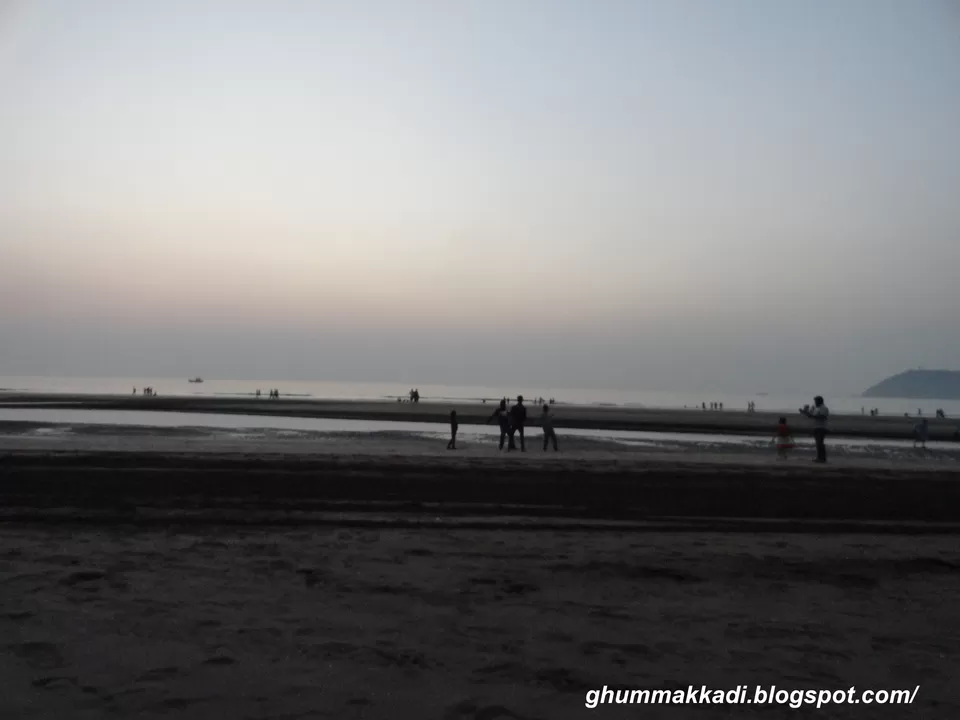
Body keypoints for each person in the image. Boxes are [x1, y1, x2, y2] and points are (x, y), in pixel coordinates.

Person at [800, 396, 829, 463]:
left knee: (820, 443)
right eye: (815, 401)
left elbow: (823, 416)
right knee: (818, 443)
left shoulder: (824, 408)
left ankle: (822, 458)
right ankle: (820, 458)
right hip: (816, 427)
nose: (815, 403)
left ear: (820, 401)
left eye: (816, 401)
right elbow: (811, 416)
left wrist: (812, 416)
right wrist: (805, 412)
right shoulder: (816, 408)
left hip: (821, 427)